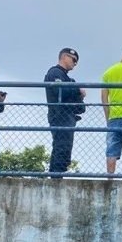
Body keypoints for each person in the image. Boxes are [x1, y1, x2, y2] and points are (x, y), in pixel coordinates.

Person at [43, 47, 86, 176]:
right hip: (59, 115)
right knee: (61, 146)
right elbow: (59, 91)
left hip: (68, 116)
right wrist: (77, 90)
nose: (74, 63)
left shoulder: (68, 79)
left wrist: (77, 93)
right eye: (73, 59)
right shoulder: (55, 73)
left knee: (65, 147)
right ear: (64, 57)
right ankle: (56, 175)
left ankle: (58, 174)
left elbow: (80, 107)